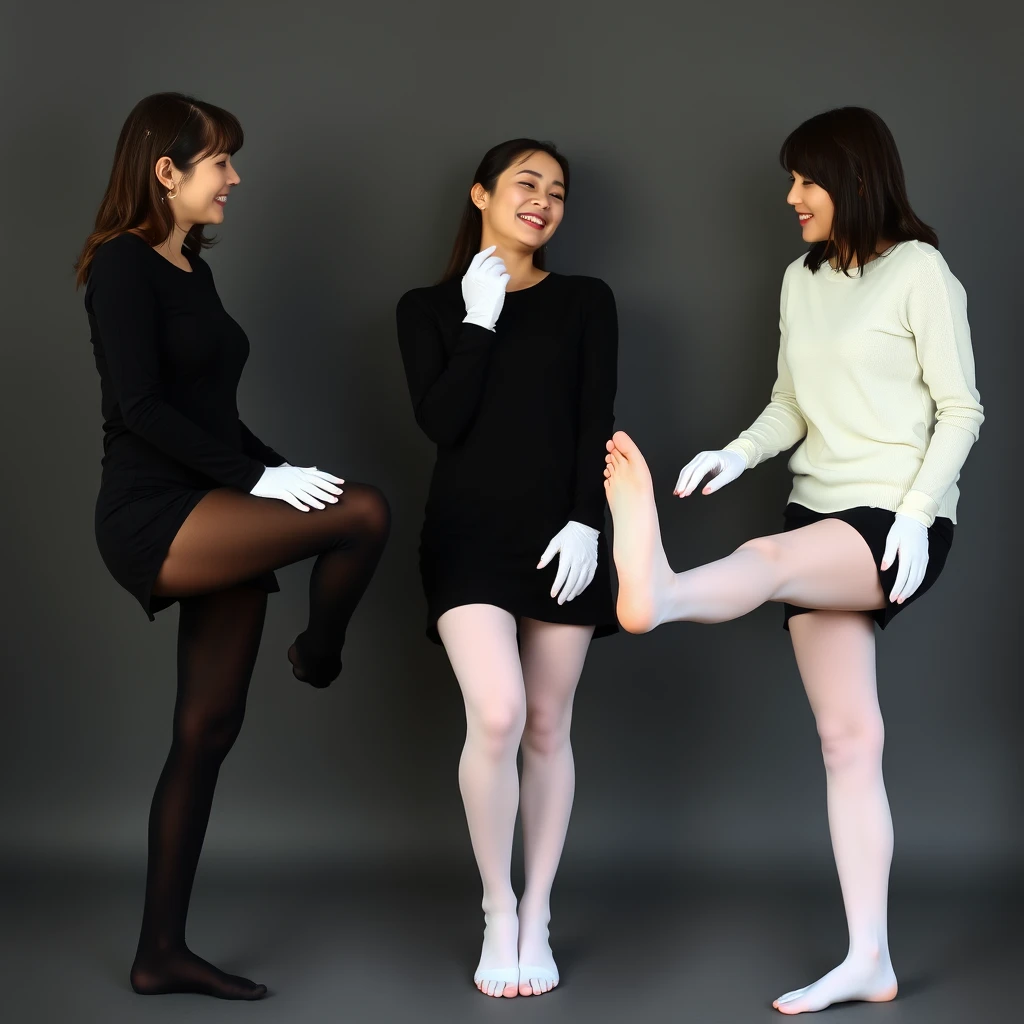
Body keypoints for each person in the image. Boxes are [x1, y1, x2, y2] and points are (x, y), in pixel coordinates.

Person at [602, 107, 982, 1015]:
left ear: (853, 180)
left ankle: (660, 590)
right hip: (822, 500)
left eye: (805, 181)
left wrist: (918, 512)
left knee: (767, 556)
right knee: (849, 741)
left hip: (896, 518)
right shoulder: (801, 279)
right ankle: (870, 960)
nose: (791, 198)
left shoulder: (920, 272)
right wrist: (734, 453)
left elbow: (961, 409)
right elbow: (789, 405)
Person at [76, 92, 390, 1000]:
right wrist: (259, 485)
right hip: (152, 512)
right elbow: (140, 410)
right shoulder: (122, 268)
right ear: (165, 172)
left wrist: (281, 469)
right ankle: (319, 655)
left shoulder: (190, 270)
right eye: (221, 163)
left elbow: (213, 414)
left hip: (213, 495)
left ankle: (159, 953)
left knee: (207, 731)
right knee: (364, 513)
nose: (236, 178)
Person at [396, 139, 618, 997]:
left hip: (563, 537)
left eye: (557, 191)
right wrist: (479, 319)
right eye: (527, 184)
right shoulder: (425, 309)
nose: (543, 201)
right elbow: (443, 423)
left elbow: (594, 415)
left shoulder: (587, 301)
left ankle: (539, 913)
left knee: (547, 727)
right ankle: (497, 906)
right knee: (496, 713)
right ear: (481, 193)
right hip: (467, 539)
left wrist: (586, 522)